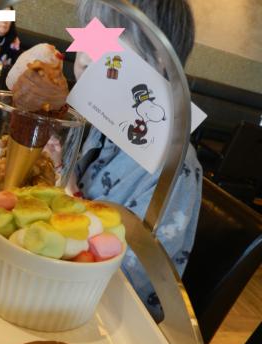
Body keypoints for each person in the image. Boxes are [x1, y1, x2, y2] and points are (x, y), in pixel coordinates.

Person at [73, 0, 202, 322]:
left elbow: (134, 281)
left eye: (103, 39)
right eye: (87, 36)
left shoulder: (172, 168)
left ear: (159, 58)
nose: (84, 56)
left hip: (113, 318)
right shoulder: (101, 125)